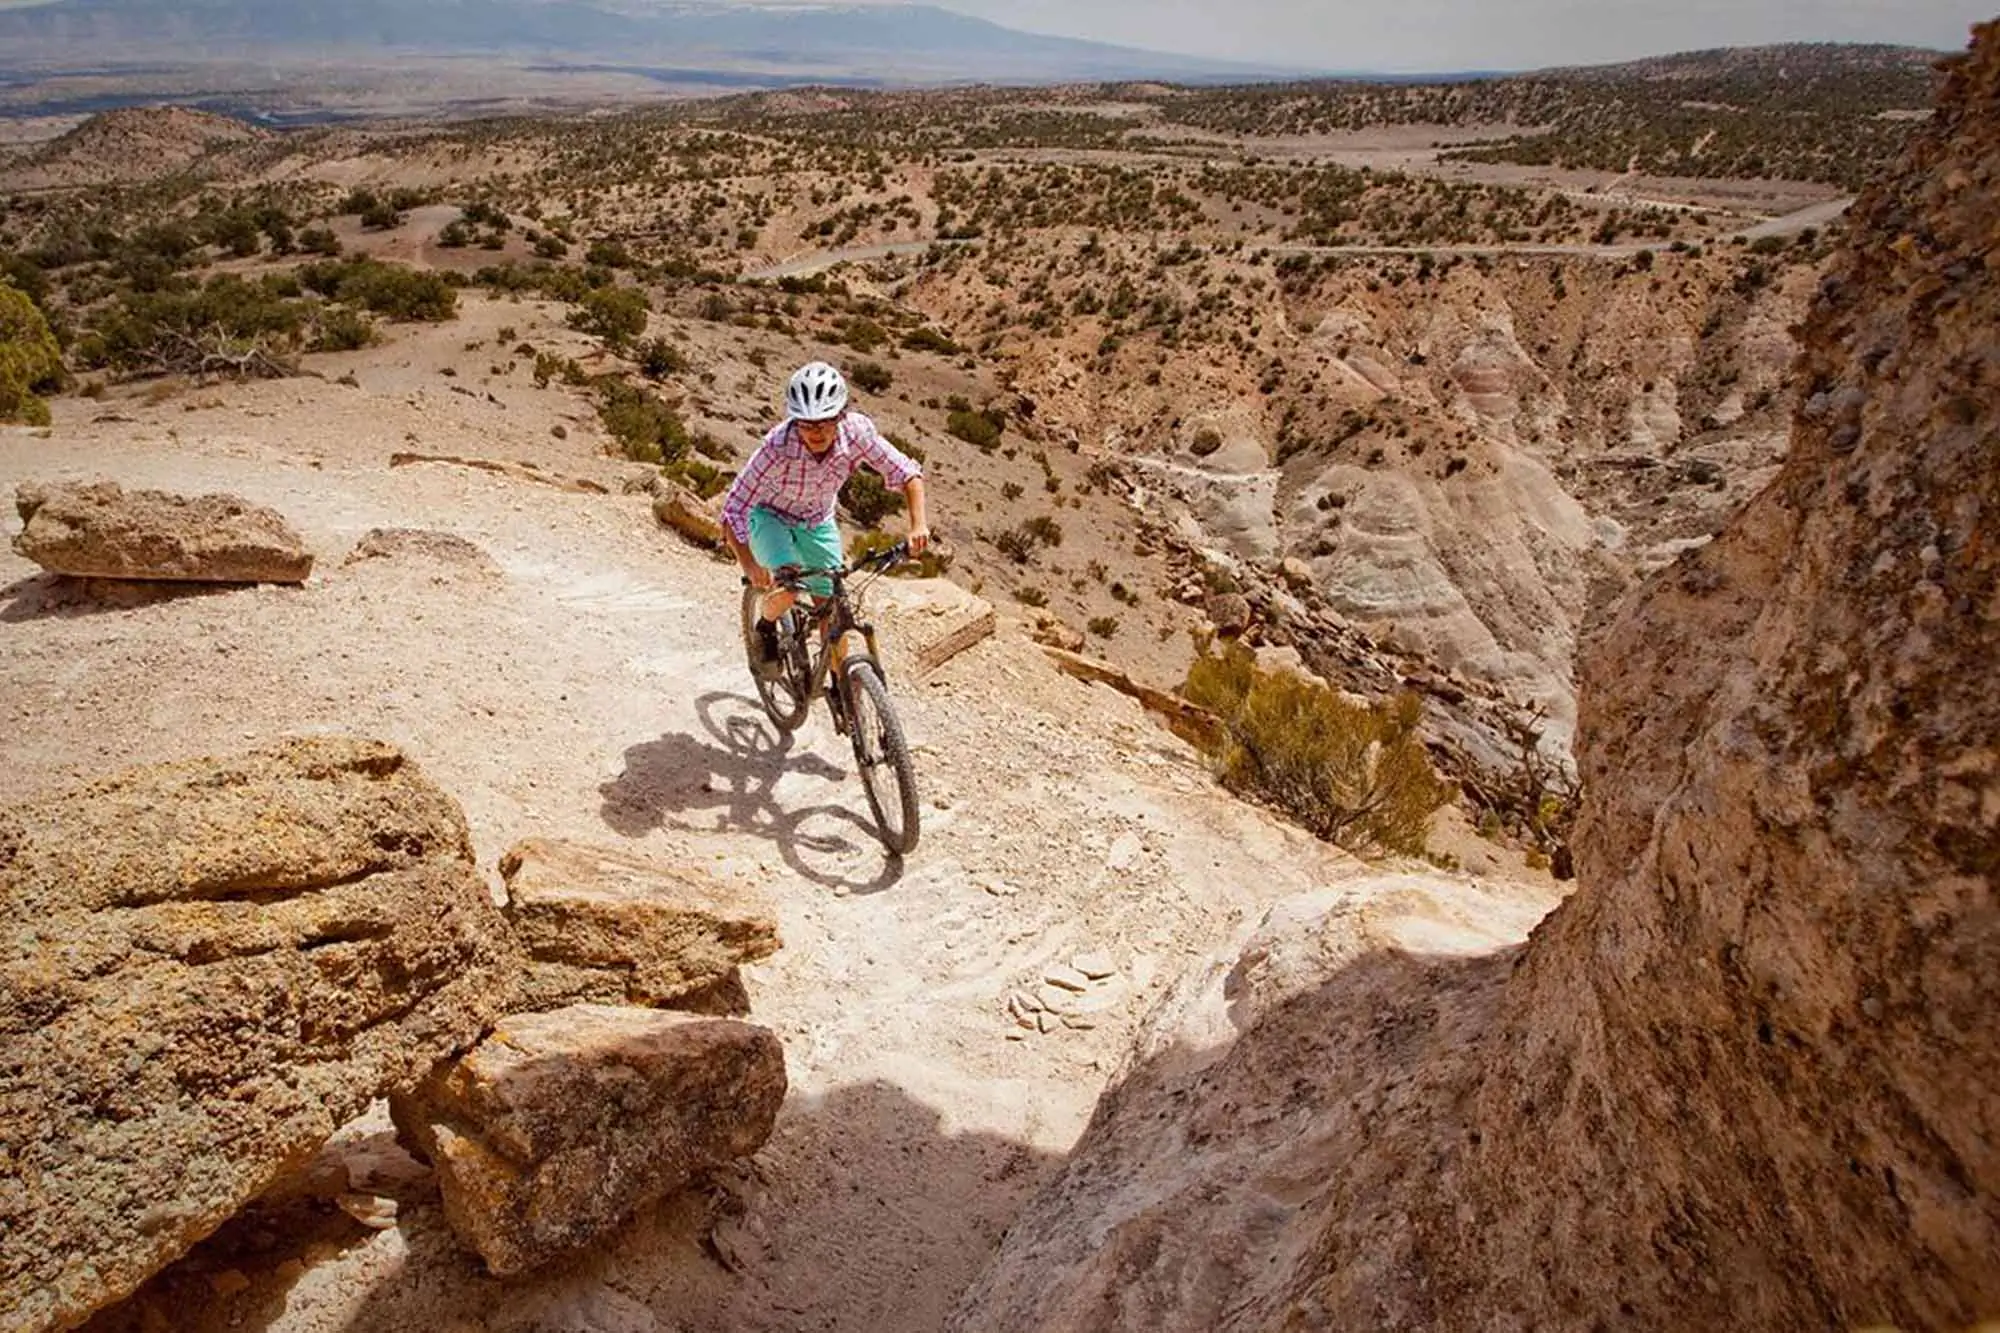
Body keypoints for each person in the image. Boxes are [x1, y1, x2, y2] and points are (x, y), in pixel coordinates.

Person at [721, 361, 930, 678]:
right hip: (771, 517)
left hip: (818, 519)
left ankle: (842, 691)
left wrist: (918, 524)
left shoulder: (857, 433)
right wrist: (749, 564)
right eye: (806, 424)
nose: (815, 432)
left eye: (825, 422)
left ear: (841, 416)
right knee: (788, 586)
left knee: (831, 609)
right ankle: (765, 627)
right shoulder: (776, 448)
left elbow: (907, 474)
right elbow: (733, 509)